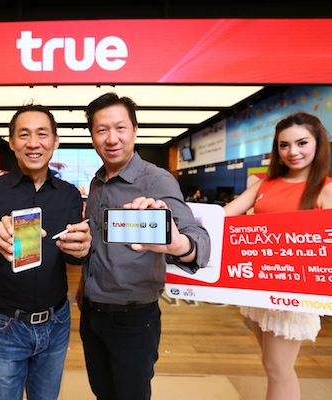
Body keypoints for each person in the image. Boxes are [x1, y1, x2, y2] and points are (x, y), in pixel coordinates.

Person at [76, 92, 210, 400]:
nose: (112, 138)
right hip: (92, 313)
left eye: (120, 128)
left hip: (133, 319)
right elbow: (97, 245)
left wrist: (179, 244)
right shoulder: (97, 182)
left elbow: (198, 238)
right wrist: (84, 284)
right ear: (93, 136)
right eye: (102, 130)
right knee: (102, 391)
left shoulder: (156, 181)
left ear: (135, 130)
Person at [0, 104, 91, 400]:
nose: (33, 143)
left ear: (55, 141)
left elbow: (72, 256)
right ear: (11, 142)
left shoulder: (69, 195)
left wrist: (83, 249)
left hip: (57, 322)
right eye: (24, 135)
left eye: (42, 134)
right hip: (3, 326)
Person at [224, 112, 332, 400]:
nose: (293, 152)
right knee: (275, 368)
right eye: (284, 145)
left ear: (318, 144)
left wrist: (297, 287)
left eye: (302, 143)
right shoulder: (263, 185)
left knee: (276, 368)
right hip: (260, 287)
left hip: (295, 293)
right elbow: (224, 216)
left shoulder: (330, 190)